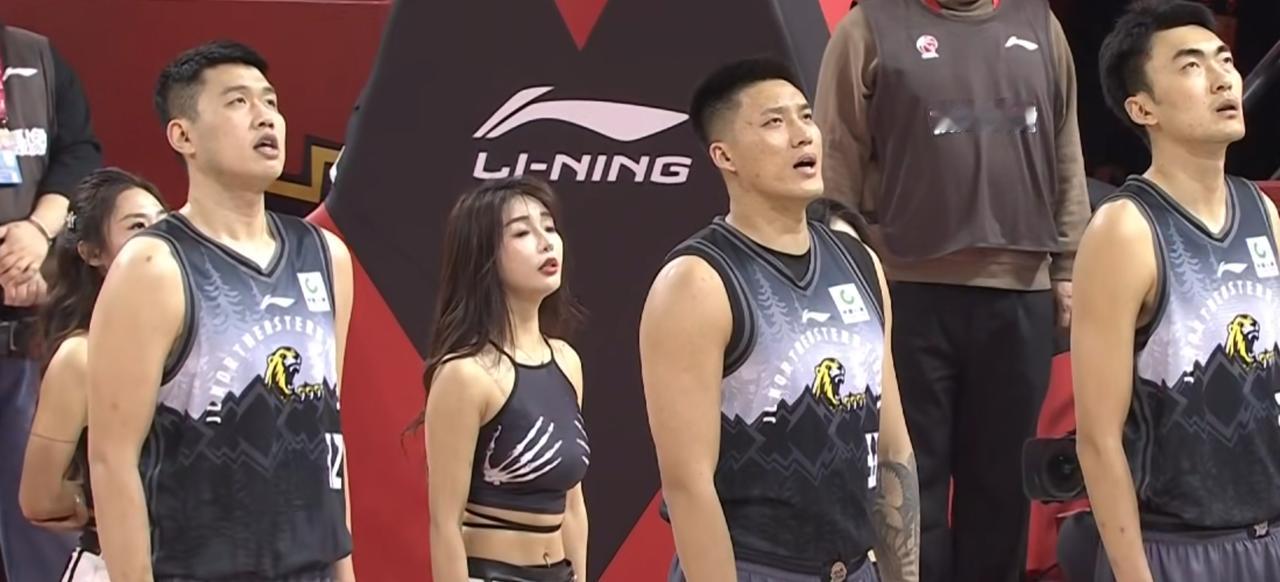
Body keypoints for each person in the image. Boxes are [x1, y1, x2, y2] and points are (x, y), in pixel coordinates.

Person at [814, 1, 1090, 580]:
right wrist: (837, 273)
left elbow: (1066, 148)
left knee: (1003, 488)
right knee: (912, 485)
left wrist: (1068, 266)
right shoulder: (869, 28)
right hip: (907, 290)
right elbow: (835, 156)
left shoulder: (1040, 25)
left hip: (1019, 291)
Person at [641, 57, 919, 582]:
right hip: (756, 567)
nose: (802, 135)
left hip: (858, 567)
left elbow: (893, 447)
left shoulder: (859, 262)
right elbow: (688, 485)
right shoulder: (696, 281)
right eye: (774, 122)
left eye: (806, 116)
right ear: (724, 155)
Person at [86, 41, 355, 581]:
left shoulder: (326, 256)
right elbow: (112, 460)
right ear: (183, 136)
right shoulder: (153, 265)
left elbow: (328, 431)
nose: (265, 117)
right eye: (237, 102)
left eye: (270, 101)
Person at [1068, 2, 1280, 580]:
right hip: (1178, 548)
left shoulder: (1261, 212)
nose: (1222, 79)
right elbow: (1098, 440)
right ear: (1142, 107)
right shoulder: (1124, 230)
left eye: (1225, 60)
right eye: (1191, 66)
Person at [418, 176, 589, 582]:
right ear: (483, 255)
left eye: (549, 227)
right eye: (522, 233)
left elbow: (573, 507)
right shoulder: (466, 374)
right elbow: (444, 524)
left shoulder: (567, 362)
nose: (546, 243)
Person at [18, 168, 168, 581]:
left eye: (164, 222)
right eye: (137, 227)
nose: (158, 238)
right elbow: (40, 496)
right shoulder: (81, 357)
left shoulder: (198, 340)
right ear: (92, 253)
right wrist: (114, 502)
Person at [0, 20, 102, 582]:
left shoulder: (35, 56)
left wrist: (37, 233)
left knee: (42, 521)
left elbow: (78, 152)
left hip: (25, 343)